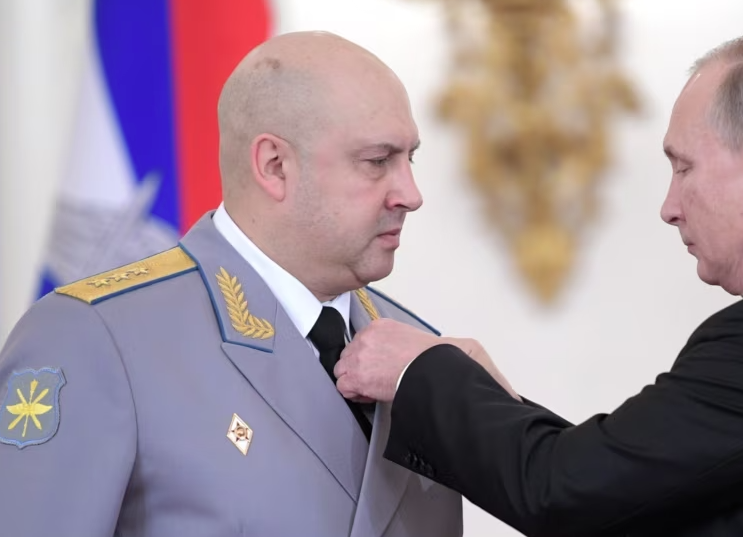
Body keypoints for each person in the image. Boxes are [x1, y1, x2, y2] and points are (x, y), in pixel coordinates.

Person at [334, 26, 743, 536]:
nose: (669, 207)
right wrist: (490, 399)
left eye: (684, 167)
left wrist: (419, 373)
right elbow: (633, 489)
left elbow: (567, 494)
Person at [0, 31, 462, 537]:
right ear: (274, 166)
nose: (411, 194)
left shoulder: (422, 352)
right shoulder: (96, 338)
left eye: (410, 159)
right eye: (377, 161)